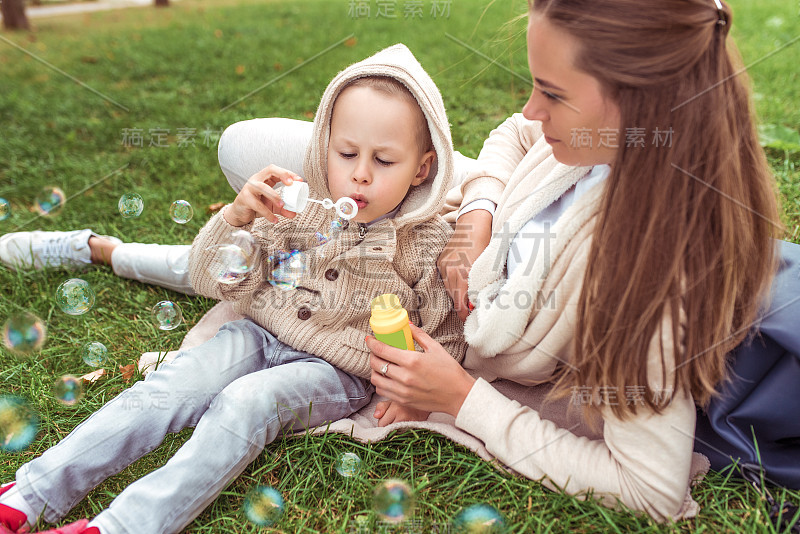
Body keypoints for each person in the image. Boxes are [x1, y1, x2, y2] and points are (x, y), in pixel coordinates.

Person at [0, 43, 466, 534]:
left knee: (246, 403)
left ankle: (121, 526)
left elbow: (445, 337)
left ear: (422, 168)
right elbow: (212, 277)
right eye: (346, 153)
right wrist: (236, 218)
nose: (360, 173)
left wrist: (415, 396)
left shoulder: (427, 242)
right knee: (171, 386)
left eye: (385, 161)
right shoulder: (301, 208)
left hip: (337, 372)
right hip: (256, 336)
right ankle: (32, 492)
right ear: (325, 145)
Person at [365, 0, 780, 522]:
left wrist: (461, 397)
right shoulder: (602, 140)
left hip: (460, 311)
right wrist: (478, 214)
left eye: (554, 93)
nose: (533, 108)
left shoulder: (645, 277)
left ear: (640, 103)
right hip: (465, 222)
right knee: (249, 147)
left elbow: (649, 491)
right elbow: (516, 133)